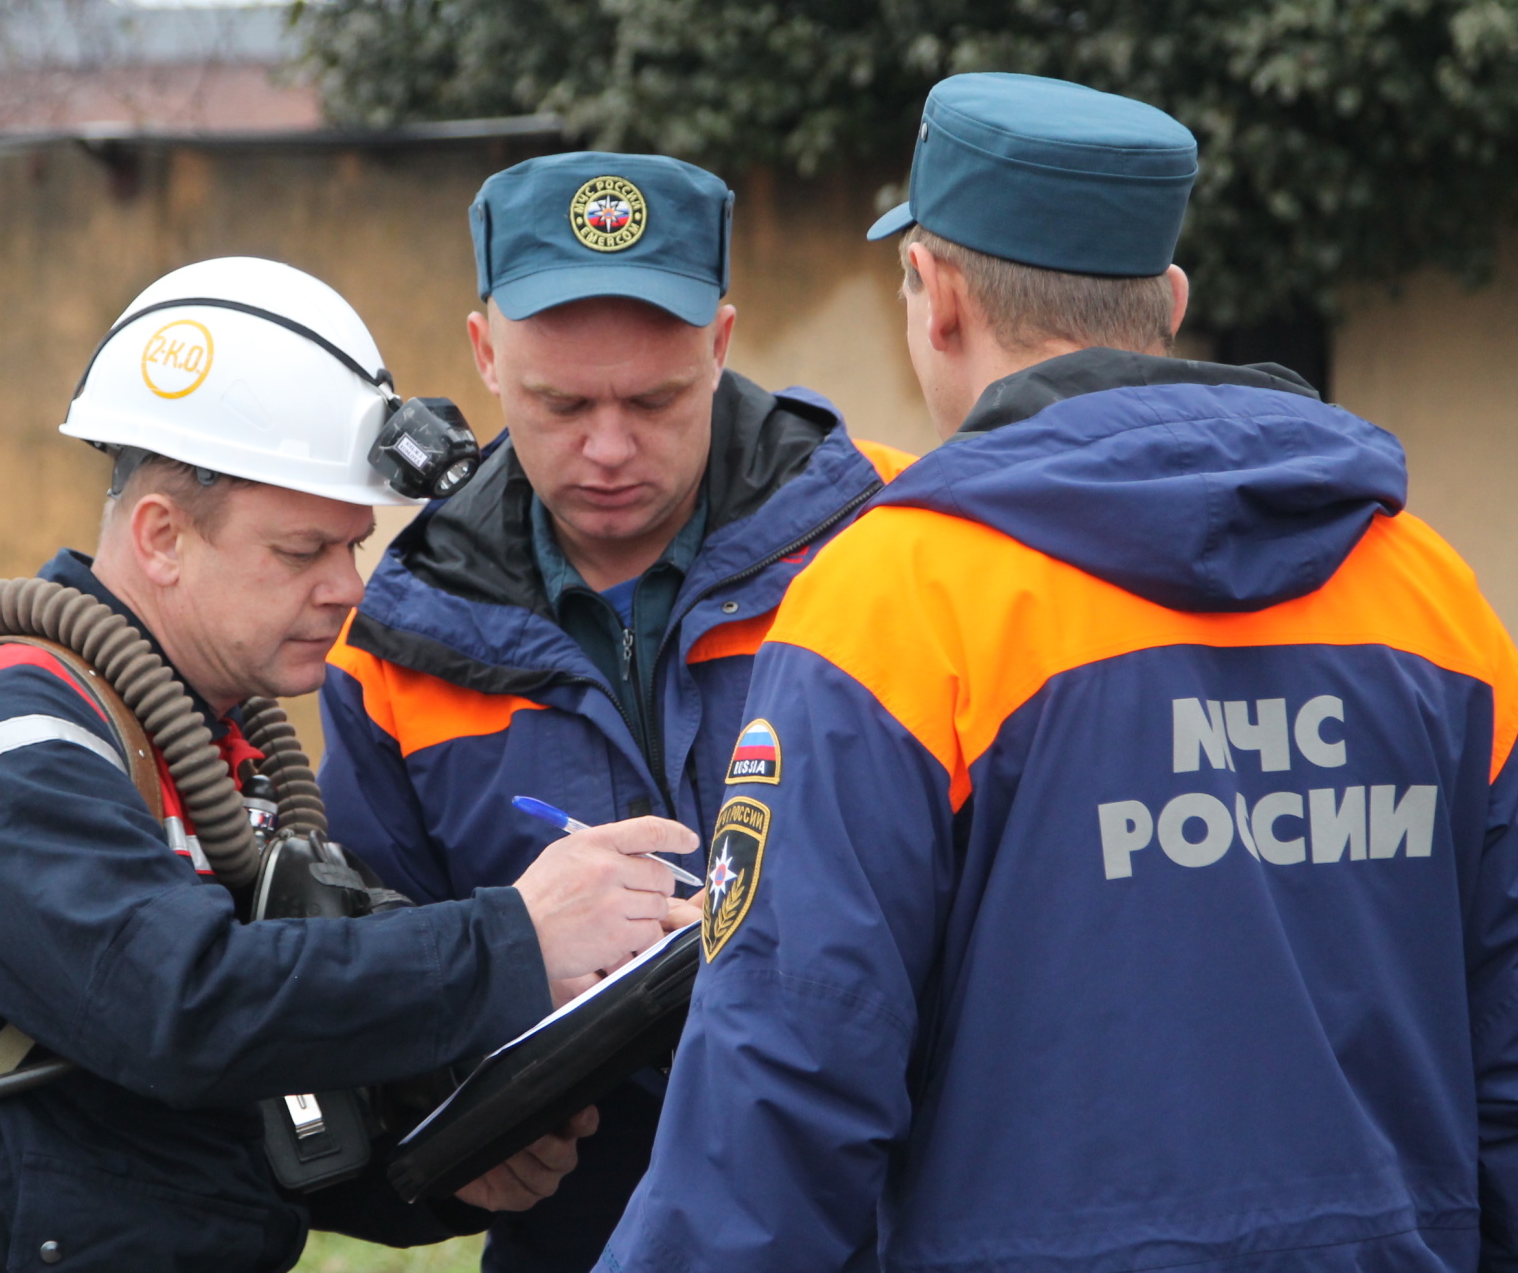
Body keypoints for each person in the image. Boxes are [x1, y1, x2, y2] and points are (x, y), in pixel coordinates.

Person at [603, 71, 1518, 1273]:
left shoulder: (896, 598)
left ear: (932, 297)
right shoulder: (1430, 593)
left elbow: (786, 1075)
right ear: (1168, 300)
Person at [0, 256, 700, 1273]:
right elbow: (174, 1007)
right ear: (162, 536)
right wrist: (517, 940)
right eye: (301, 551)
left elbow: (178, 1131)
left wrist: (433, 1168)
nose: (345, 589)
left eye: (352, 548)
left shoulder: (209, 751)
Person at [318, 150, 915, 1272]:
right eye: (559, 402)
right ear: (485, 355)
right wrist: (453, 1136)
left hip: (884, 1216)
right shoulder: (387, 639)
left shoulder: (894, 542)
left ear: (723, 344)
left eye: (653, 400)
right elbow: (383, 987)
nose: (605, 447)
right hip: (577, 1234)